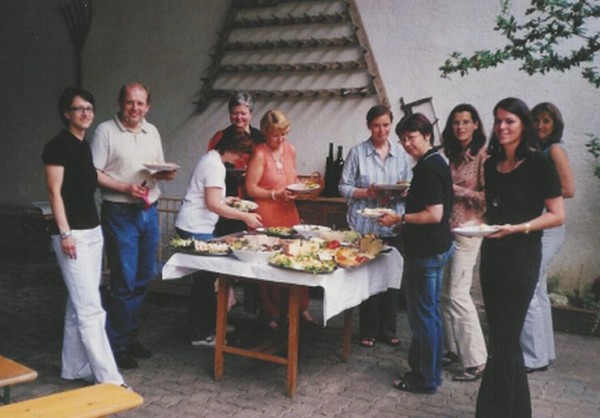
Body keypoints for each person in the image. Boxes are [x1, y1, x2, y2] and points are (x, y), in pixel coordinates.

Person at [475, 98, 564, 417]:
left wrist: (520, 228)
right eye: (497, 120)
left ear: (523, 125)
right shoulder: (491, 164)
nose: (501, 127)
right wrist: (477, 224)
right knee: (504, 338)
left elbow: (556, 215)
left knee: (504, 340)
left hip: (522, 257)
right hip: (493, 255)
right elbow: (494, 210)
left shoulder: (539, 163)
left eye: (509, 121)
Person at [42, 87, 125, 386]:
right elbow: (54, 193)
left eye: (89, 108)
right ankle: (109, 378)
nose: (86, 113)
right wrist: (65, 234)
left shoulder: (85, 146)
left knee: (79, 304)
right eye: (79, 109)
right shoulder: (57, 146)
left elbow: (94, 177)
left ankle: (74, 368)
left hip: (93, 231)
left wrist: (127, 187)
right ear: (67, 114)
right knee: (91, 307)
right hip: (71, 234)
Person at [90, 82, 177, 370]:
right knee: (123, 282)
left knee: (142, 279)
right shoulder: (105, 131)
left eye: (140, 104)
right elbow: (94, 173)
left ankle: (130, 337)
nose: (135, 108)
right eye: (130, 103)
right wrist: (125, 187)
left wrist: (162, 176)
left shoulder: (151, 131)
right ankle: (116, 346)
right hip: (120, 212)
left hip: (148, 211)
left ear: (148, 106)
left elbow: (155, 166)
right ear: (120, 102)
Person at [379, 113, 454, 394]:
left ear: (427, 136)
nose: (407, 144)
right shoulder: (432, 162)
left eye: (411, 137)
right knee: (428, 314)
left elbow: (434, 214)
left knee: (424, 316)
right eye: (402, 139)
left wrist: (399, 218)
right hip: (433, 248)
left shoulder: (430, 167)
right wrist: (408, 196)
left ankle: (427, 379)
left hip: (427, 251)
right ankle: (425, 371)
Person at [186, 92, 263, 345]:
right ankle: (202, 330)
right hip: (204, 221)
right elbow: (212, 203)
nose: (238, 161)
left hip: (216, 212)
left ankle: (211, 323)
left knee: (215, 272)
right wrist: (242, 213)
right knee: (208, 274)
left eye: (244, 112)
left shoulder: (217, 160)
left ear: (251, 114)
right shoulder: (216, 162)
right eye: (237, 155)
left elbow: (215, 201)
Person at [339, 104, 412, 348]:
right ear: (369, 126)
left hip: (392, 225)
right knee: (368, 277)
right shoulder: (357, 153)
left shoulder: (401, 154)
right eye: (377, 125)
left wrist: (402, 190)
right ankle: (367, 330)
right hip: (365, 225)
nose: (382, 130)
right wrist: (365, 192)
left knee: (392, 277)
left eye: (386, 125)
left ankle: (388, 330)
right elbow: (344, 187)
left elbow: (409, 186)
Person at [245, 109, 313, 331]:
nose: (281, 139)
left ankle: (300, 307)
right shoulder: (260, 153)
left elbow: (291, 178)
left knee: (296, 257)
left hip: (288, 211)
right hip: (267, 213)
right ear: (265, 132)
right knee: (270, 262)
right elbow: (251, 188)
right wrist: (275, 194)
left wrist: (297, 190)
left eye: (283, 134)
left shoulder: (290, 149)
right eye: (276, 135)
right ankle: (271, 311)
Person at [520, 102, 575, 373]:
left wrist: (533, 192)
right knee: (538, 289)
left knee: (527, 285)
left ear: (555, 125)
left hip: (550, 226)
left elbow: (568, 188)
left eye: (546, 121)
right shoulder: (537, 151)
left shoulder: (554, 149)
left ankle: (532, 356)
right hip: (541, 224)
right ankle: (544, 351)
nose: (540, 126)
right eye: (537, 120)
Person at [439, 104, 488, 382]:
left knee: (458, 294)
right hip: (450, 229)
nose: (460, 127)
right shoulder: (454, 156)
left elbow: (487, 197)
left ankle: (477, 360)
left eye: (466, 122)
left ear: (476, 125)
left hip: (470, 231)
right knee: (445, 295)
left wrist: (452, 189)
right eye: (456, 122)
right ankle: (453, 350)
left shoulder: (483, 155)